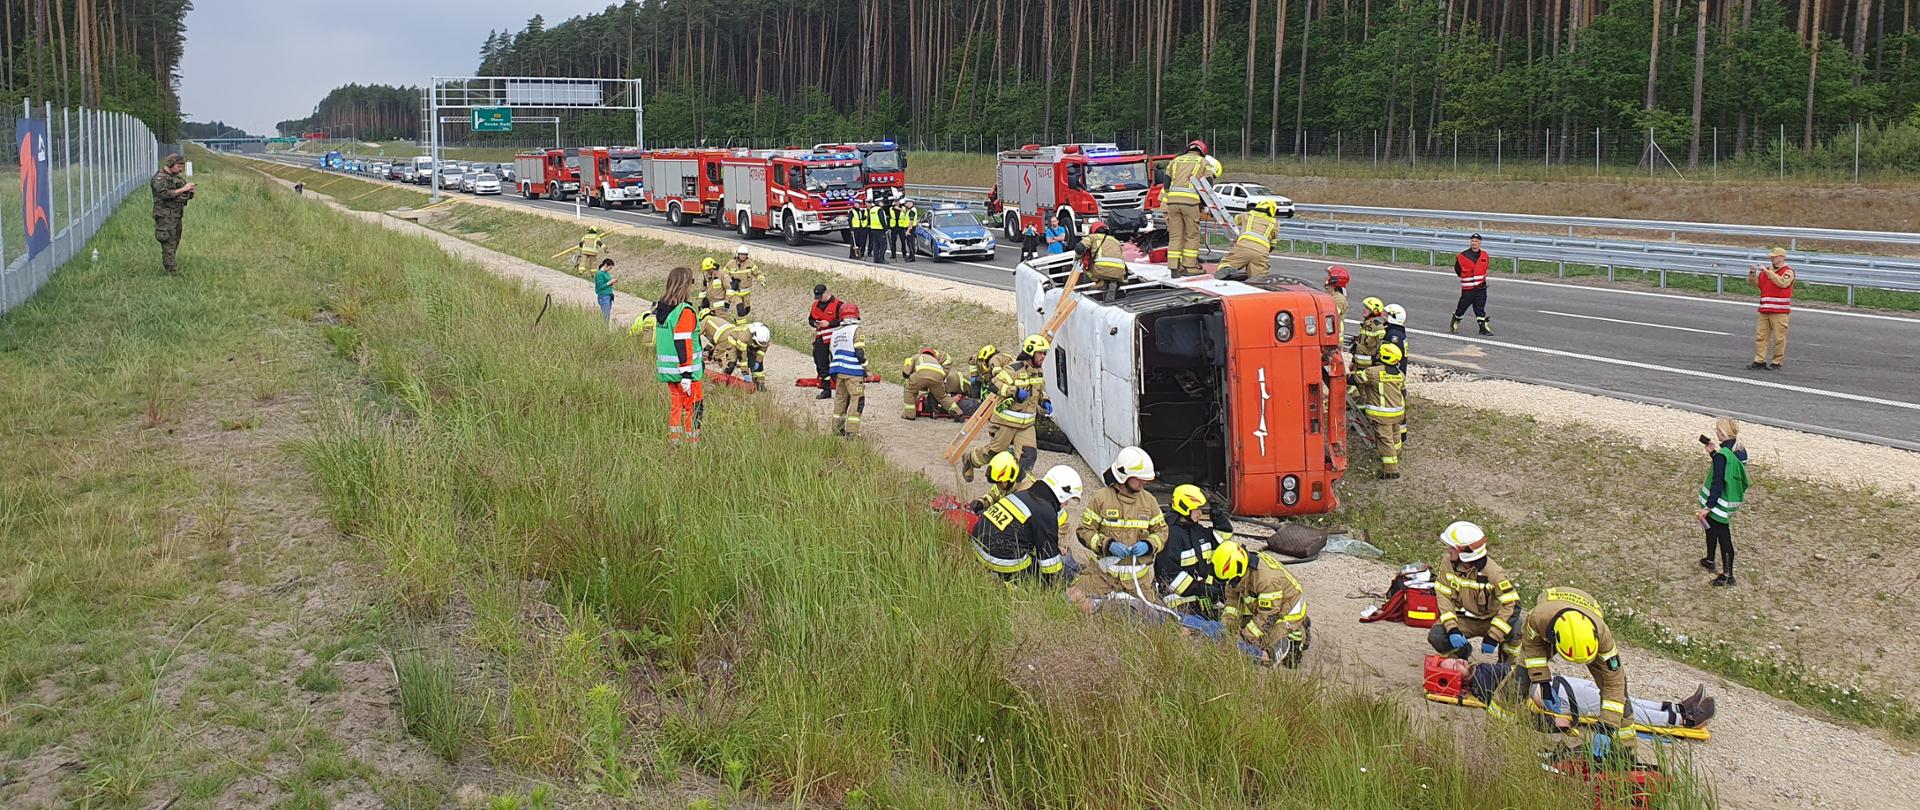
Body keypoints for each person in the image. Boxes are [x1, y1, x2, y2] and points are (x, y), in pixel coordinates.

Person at [1494, 587, 1636, 764]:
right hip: (1550, 614)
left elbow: (1614, 684)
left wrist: (1606, 728)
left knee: (1621, 695)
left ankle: (1626, 751)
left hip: (1589, 613)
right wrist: (1544, 683)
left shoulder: (1603, 635)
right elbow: (1533, 651)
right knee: (1521, 677)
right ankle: (1495, 727)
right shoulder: (1538, 618)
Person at [1453, 659, 1716, 730]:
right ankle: (1685, 720)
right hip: (1557, 695)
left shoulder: (1480, 671)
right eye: (1450, 667)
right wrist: (1548, 722)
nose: (1454, 663)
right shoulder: (1481, 683)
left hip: (1557, 684)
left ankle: (1678, 708)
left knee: (1620, 698)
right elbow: (1511, 712)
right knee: (1620, 708)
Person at [1068, 446, 1168, 611]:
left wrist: (1149, 544)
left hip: (1138, 584)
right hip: (1102, 578)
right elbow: (1084, 531)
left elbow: (1162, 531)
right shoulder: (1101, 499)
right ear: (1124, 476)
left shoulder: (1149, 501)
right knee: (1074, 604)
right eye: (1139, 478)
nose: (1144, 483)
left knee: (1149, 618)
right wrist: (1107, 545)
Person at [970, 465, 1084, 586]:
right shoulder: (1045, 510)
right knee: (1046, 573)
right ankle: (1013, 584)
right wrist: (1057, 583)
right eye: (1067, 499)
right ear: (1061, 492)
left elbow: (1021, 534)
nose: (1066, 503)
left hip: (978, 546)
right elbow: (1050, 564)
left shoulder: (1023, 495)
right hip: (998, 559)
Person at [1429, 521, 1522, 661]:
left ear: (1465, 554)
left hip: (1491, 620)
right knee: (1437, 635)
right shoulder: (1447, 564)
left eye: (1452, 548)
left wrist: (1494, 635)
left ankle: (1506, 666)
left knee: (1516, 627)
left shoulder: (1494, 573)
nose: (1448, 550)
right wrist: (1452, 628)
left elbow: (1512, 604)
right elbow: (1444, 597)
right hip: (1465, 620)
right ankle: (1461, 655)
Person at [960, 335, 1051, 479]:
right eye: (1040, 353)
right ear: (1030, 352)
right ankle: (970, 459)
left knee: (1028, 456)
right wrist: (1014, 392)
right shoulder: (1013, 370)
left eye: (1045, 353)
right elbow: (994, 384)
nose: (1043, 356)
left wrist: (1045, 400)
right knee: (995, 453)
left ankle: (1017, 488)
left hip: (1026, 425)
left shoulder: (1038, 372)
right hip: (1006, 423)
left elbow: (1039, 391)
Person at [1212, 540, 1309, 668]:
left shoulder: (1266, 580)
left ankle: (1298, 635)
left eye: (1232, 579)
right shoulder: (1237, 575)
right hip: (1267, 605)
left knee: (1264, 647)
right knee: (1240, 630)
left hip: (1288, 609)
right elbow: (1232, 603)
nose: (1230, 583)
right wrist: (1226, 627)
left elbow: (1268, 616)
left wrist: (1245, 637)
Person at [1157, 485, 1233, 618]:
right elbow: (1170, 576)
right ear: (1184, 508)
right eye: (1196, 509)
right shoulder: (1170, 536)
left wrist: (1218, 516)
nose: (1200, 513)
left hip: (1203, 601)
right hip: (1181, 606)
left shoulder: (1196, 530)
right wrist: (1201, 589)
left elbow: (1223, 537)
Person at [652, 267, 706, 446]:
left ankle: (675, 442)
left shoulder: (662, 307)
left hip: (669, 372)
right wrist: (686, 375)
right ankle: (693, 445)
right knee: (694, 408)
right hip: (687, 373)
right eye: (691, 282)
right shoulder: (684, 311)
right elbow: (682, 343)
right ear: (685, 285)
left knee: (677, 406)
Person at [1695, 417, 1749, 587]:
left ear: (1723, 433)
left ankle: (1727, 575)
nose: (1716, 432)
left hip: (1718, 503)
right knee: (1712, 529)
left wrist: (1708, 507)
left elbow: (1718, 481)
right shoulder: (1740, 451)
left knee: (1721, 536)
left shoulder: (1722, 456)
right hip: (1730, 499)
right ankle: (1710, 560)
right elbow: (1728, 470)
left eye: (1718, 430)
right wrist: (1713, 453)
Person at [1160, 140, 1219, 277]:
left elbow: (1166, 182)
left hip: (1172, 203)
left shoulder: (1175, 161)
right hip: (1190, 202)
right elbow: (1208, 184)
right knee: (1192, 235)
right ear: (1202, 151)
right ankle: (1190, 266)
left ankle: (1174, 267)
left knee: (1175, 235)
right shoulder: (1203, 162)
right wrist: (1204, 203)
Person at [1350, 342, 1407, 480]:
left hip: (1382, 415)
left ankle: (1391, 469)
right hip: (1398, 412)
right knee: (1395, 434)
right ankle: (1397, 453)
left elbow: (1354, 379)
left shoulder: (1374, 373)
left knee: (1385, 439)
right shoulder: (1400, 375)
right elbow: (1403, 392)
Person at [1748, 247, 1795, 370]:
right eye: (1771, 257)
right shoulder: (1766, 271)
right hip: (1765, 309)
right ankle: (1760, 360)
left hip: (1780, 311)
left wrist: (1769, 272)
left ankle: (1777, 361)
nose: (1772, 259)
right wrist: (1752, 273)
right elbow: (1755, 284)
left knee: (1779, 338)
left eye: (1775, 257)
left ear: (1782, 257)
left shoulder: (1788, 272)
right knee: (1761, 336)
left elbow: (1782, 283)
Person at [1214, 200, 1282, 281]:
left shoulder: (1248, 215)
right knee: (1260, 277)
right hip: (1261, 252)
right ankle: (1257, 280)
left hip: (1244, 246)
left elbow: (1232, 221)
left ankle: (1227, 269)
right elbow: (1273, 244)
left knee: (1227, 263)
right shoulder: (1274, 223)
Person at [151, 154, 196, 274]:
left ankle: (171, 267)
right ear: (170, 163)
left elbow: (182, 196)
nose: (181, 169)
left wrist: (189, 192)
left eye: (182, 166)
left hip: (176, 215)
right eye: (178, 166)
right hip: (165, 216)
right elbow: (164, 194)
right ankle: (172, 271)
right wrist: (183, 189)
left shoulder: (178, 178)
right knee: (168, 243)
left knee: (175, 242)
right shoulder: (159, 179)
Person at [828, 303, 868, 437]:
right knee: (857, 400)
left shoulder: (836, 333)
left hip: (839, 372)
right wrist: (867, 369)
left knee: (840, 400)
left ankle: (836, 430)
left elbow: (832, 354)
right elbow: (859, 352)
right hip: (853, 372)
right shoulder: (856, 330)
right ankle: (851, 432)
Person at [808, 284, 847, 400]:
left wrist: (829, 324)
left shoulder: (838, 304)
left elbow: (843, 320)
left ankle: (843, 389)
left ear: (826, 292)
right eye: (817, 296)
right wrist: (815, 323)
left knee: (838, 364)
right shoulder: (815, 305)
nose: (819, 298)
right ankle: (826, 389)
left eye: (821, 296)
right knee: (821, 364)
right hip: (820, 339)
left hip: (836, 340)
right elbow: (810, 319)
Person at [901, 347, 963, 420]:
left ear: (922, 352)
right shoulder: (935, 360)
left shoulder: (917, 356)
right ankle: (958, 413)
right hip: (938, 376)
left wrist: (911, 378)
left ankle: (909, 415)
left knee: (909, 390)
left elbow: (905, 373)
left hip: (921, 373)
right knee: (942, 397)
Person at [1451, 233, 1493, 335]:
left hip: (1481, 287)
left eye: (1476, 241)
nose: (1474, 243)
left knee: (1480, 307)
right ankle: (1455, 320)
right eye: (1472, 241)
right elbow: (1458, 270)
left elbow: (1485, 268)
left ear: (1480, 243)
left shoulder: (1484, 255)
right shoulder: (1462, 256)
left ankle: (1483, 327)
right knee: (1462, 307)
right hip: (1468, 288)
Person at [713, 321, 772, 391]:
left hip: (751, 342)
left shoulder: (765, 338)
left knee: (755, 362)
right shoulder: (744, 337)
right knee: (732, 362)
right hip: (734, 340)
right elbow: (742, 357)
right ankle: (723, 381)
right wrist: (745, 373)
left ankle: (759, 384)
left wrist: (758, 361)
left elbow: (762, 351)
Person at [1079, 221, 1129, 301]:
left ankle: (1092, 291)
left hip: (1100, 271)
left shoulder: (1092, 237)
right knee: (1108, 273)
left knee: (1086, 270)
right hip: (1119, 272)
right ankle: (1112, 285)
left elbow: (1080, 248)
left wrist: (1077, 258)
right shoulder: (1115, 240)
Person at [723, 245, 762, 317]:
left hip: (746, 293)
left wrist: (762, 280)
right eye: (741, 254)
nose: (743, 256)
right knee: (740, 310)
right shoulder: (730, 264)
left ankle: (737, 320)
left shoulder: (750, 264)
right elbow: (724, 275)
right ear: (738, 254)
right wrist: (730, 282)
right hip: (736, 293)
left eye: (745, 255)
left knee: (747, 310)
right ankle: (739, 323)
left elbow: (757, 273)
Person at [1325, 266, 1351, 347]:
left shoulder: (1339, 299)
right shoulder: (1331, 294)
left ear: (1333, 280)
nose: (1326, 277)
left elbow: (1329, 316)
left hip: (1333, 340)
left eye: (1329, 275)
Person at [593, 258, 618, 325]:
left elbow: (607, 283)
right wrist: (610, 282)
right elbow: (600, 287)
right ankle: (604, 331)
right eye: (609, 268)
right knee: (605, 316)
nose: (609, 270)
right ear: (606, 265)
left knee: (607, 315)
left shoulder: (606, 273)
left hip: (609, 296)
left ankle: (605, 329)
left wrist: (612, 282)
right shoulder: (599, 274)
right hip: (603, 296)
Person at [867, 199, 892, 264]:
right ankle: (881, 259)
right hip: (880, 230)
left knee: (876, 245)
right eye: (882, 202)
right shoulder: (880, 210)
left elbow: (869, 219)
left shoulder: (872, 210)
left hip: (873, 229)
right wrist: (886, 229)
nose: (883, 204)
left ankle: (876, 259)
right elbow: (882, 220)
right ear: (879, 203)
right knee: (883, 245)